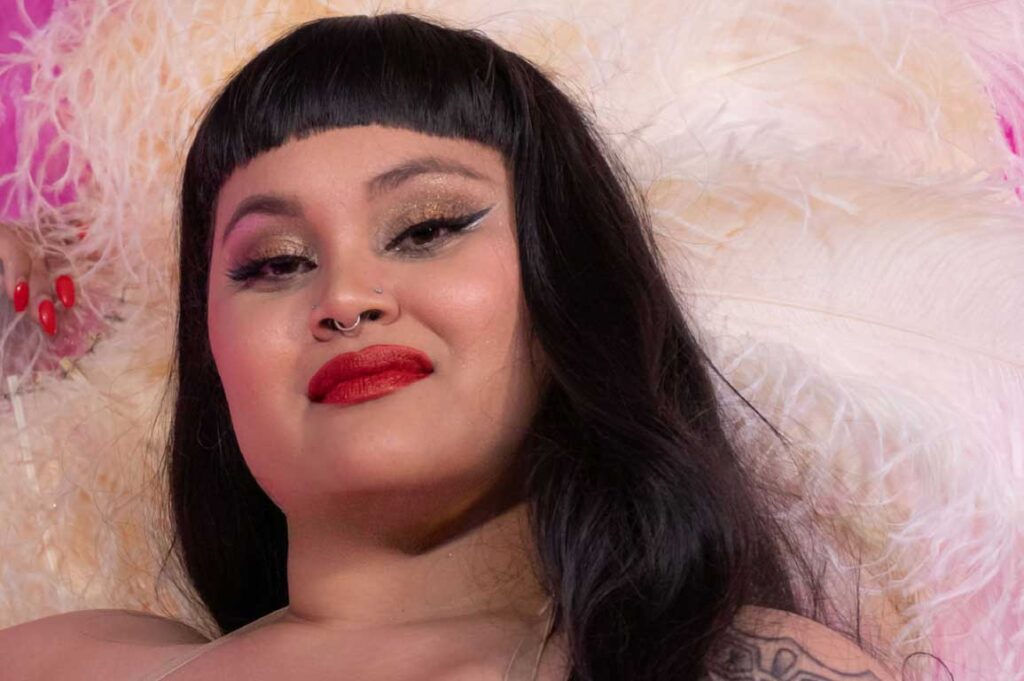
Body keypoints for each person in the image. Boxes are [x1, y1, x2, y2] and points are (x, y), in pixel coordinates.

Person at [0, 12, 902, 681]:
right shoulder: (60, 661)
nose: (344, 297)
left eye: (426, 228)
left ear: (565, 285)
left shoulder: (733, 663)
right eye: (275, 263)